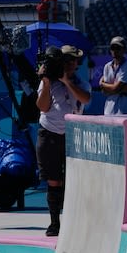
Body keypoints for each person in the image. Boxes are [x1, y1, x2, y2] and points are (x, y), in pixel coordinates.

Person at [35, 44, 92, 237]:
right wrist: (48, 82)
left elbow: (85, 100)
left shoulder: (80, 82)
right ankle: (54, 223)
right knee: (53, 181)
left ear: (77, 64)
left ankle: (72, 221)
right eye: (65, 61)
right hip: (50, 133)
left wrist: (66, 81)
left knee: (72, 181)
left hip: (72, 134)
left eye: (73, 61)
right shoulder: (47, 81)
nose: (70, 64)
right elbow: (42, 107)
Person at [99, 35, 127, 115]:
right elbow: (104, 92)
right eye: (113, 48)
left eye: (118, 48)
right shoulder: (107, 66)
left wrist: (102, 84)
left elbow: (115, 88)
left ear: (124, 50)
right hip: (108, 111)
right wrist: (117, 89)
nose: (115, 50)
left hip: (123, 112)